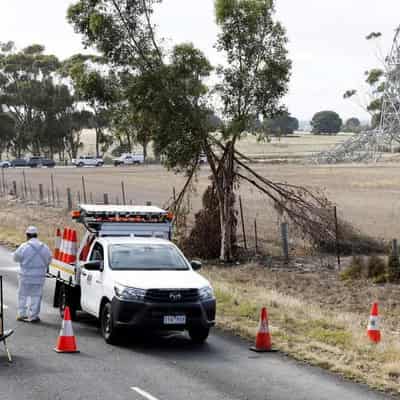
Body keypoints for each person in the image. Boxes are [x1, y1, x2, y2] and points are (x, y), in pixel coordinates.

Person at [13, 226, 52, 323]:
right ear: (36, 235)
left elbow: (15, 258)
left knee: (22, 295)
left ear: (27, 235)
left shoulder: (24, 246)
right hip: (39, 277)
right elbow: (49, 259)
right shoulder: (45, 247)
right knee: (36, 296)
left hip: (25, 276)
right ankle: (34, 316)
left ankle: (22, 314)